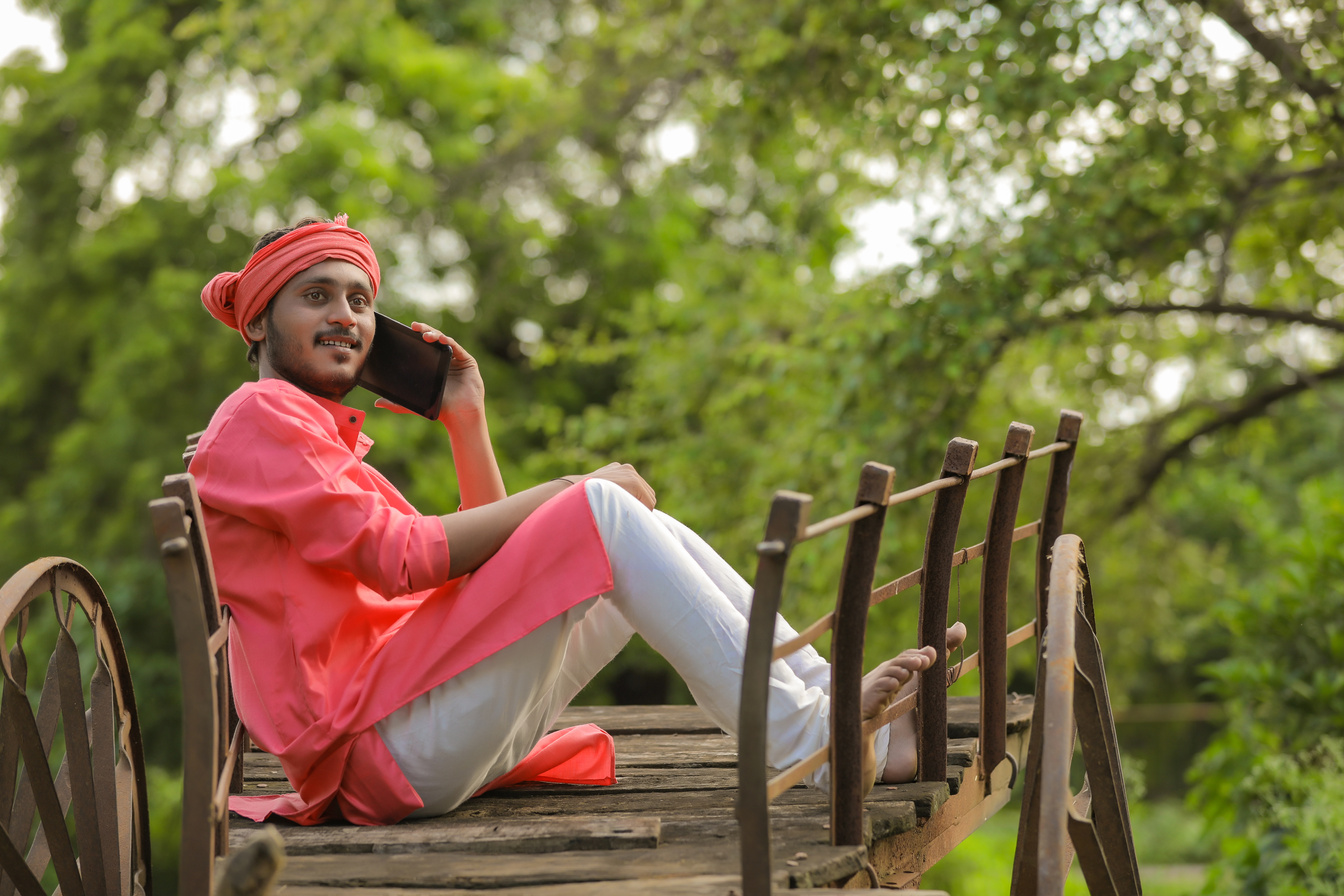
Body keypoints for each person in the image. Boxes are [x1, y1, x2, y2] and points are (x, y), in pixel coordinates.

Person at [193, 215, 965, 825]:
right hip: (378, 747)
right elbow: (405, 559)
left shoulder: (308, 436)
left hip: (419, 728)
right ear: (257, 323)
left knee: (634, 531)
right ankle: (814, 744)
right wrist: (576, 484)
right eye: (317, 296)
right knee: (599, 509)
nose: (347, 316)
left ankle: (830, 708)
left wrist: (466, 418)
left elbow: (477, 562)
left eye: (361, 301)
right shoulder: (261, 413)